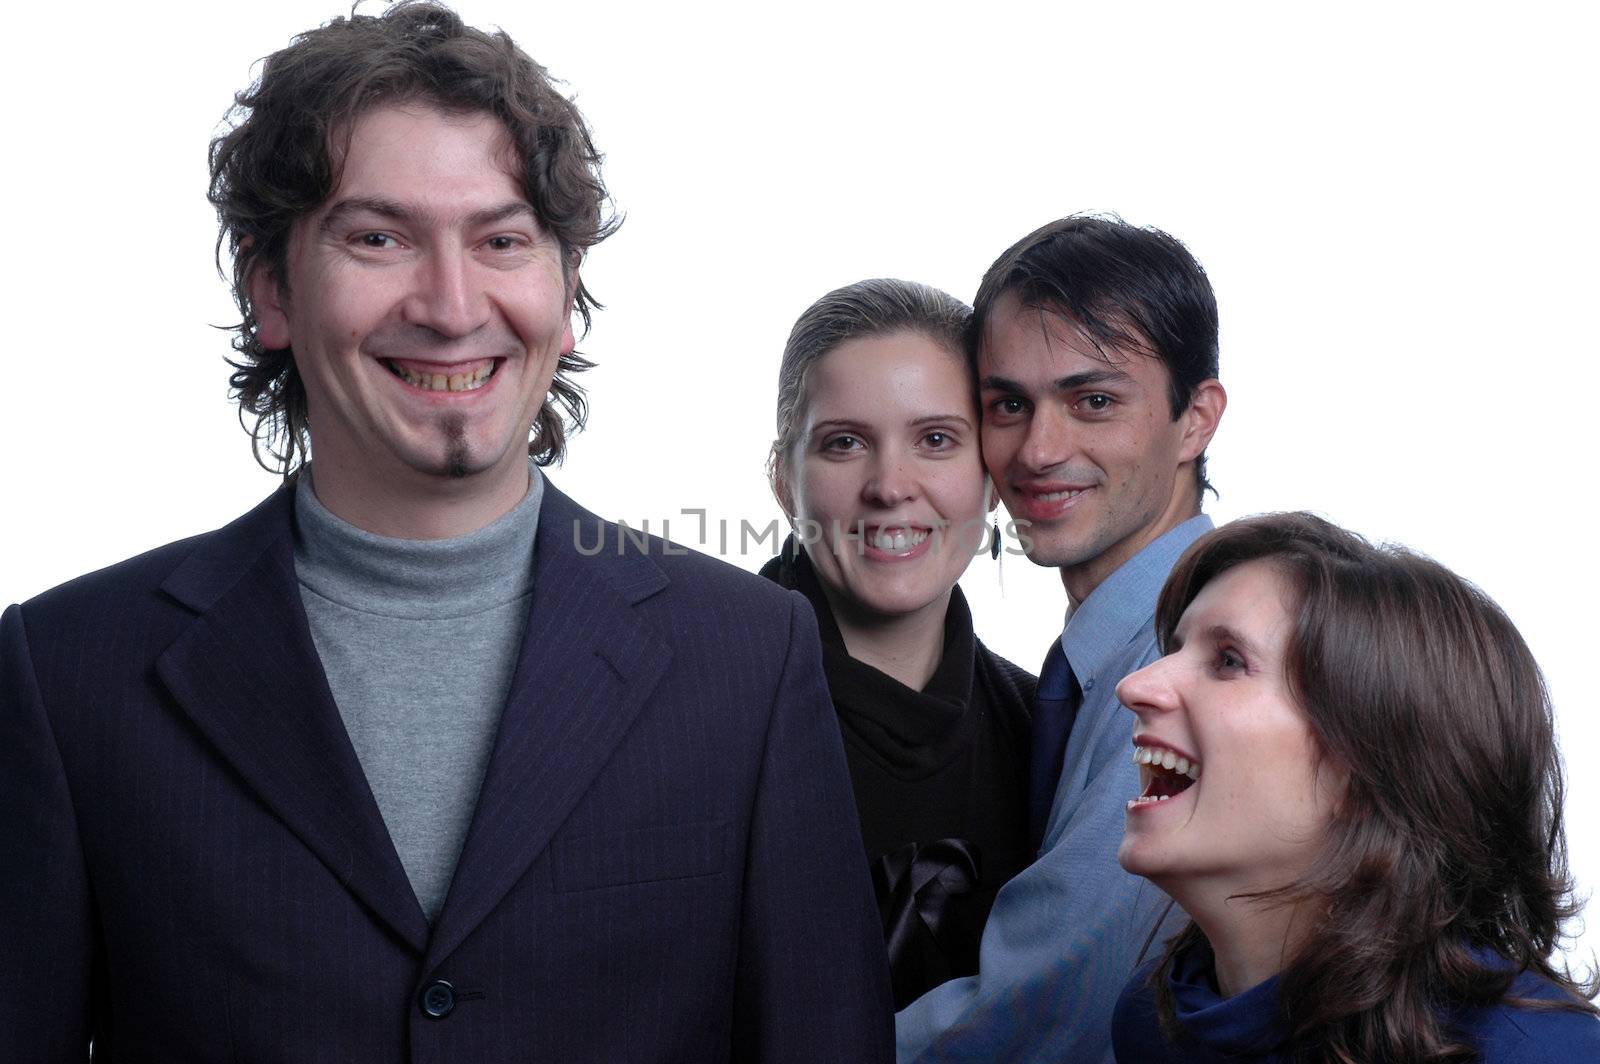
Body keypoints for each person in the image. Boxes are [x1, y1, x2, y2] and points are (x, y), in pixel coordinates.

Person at [0, 4, 892, 1060]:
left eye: (503, 240)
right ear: (271, 288)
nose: (452, 301)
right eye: (378, 238)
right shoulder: (68, 672)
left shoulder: (748, 654)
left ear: (566, 298)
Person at [895, 215, 1228, 1062]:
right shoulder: (1081, 664)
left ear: (1195, 419)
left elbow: (1047, 1013)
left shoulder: (1188, 663)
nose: (1039, 450)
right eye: (1008, 404)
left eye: (1094, 401)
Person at [1111, 511, 1600, 1062]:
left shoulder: (1542, 1052)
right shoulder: (1153, 1023)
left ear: (1372, 768)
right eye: (1174, 649)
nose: (1135, 686)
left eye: (1228, 661)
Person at [760, 278, 1035, 1009]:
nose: (891, 486)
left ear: (993, 476)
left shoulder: (1049, 729)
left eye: (936, 440)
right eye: (845, 443)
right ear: (784, 482)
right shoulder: (684, 704)